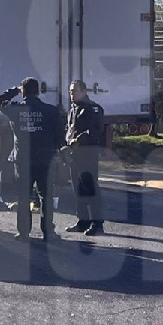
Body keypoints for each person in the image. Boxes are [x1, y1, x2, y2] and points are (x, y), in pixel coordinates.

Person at [0, 77, 63, 242]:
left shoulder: (16, 109)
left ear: (23, 91)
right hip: (45, 158)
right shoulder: (50, 111)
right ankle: (48, 232)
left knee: (23, 196)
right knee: (45, 196)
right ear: (38, 91)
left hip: (23, 159)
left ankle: (24, 232)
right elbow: (60, 135)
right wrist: (52, 148)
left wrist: (15, 90)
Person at [62, 80, 105, 236]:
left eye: (74, 91)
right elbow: (69, 129)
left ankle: (97, 223)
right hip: (74, 155)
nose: (71, 94)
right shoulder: (73, 109)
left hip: (88, 154)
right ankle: (83, 221)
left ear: (84, 91)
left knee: (91, 188)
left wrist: (78, 140)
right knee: (78, 189)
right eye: (70, 91)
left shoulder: (92, 109)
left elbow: (94, 131)